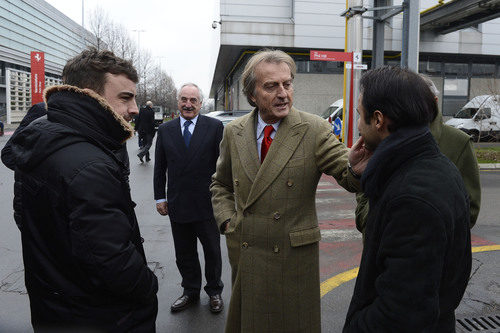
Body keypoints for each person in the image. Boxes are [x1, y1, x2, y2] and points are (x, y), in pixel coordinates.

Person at [210, 49, 370, 332]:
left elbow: (348, 176)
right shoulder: (233, 132)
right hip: (247, 252)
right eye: (271, 86)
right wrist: (228, 222)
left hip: (293, 260)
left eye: (287, 83)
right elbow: (220, 184)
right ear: (252, 95)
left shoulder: (313, 128)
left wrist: (356, 167)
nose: (283, 93)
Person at [7, 48, 158, 332]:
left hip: (53, 306)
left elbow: (24, 218)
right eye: (125, 97)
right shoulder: (91, 165)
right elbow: (114, 263)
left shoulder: (42, 137)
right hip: (102, 317)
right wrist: (149, 286)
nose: (135, 108)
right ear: (90, 95)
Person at [343, 66, 471, 332]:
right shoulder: (435, 165)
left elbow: (400, 313)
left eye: (359, 115)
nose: (357, 125)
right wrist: (365, 172)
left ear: (378, 120)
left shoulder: (412, 199)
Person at [355, 75, 481, 234]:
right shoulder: (384, 141)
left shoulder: (458, 142)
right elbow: (365, 218)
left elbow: (469, 211)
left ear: (434, 102)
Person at [154, 83, 225, 313]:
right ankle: (190, 291)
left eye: (193, 100)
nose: (188, 104)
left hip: (208, 204)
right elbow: (160, 168)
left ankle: (214, 291)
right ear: (178, 102)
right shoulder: (165, 130)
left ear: (200, 103)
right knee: (184, 253)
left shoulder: (214, 128)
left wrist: (226, 198)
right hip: (178, 203)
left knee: (212, 251)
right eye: (184, 99)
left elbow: (223, 167)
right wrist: (159, 198)